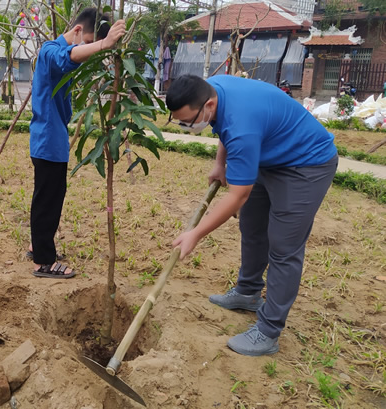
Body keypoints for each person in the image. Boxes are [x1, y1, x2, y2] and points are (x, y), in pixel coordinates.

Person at [166, 74, 338, 356]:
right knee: (252, 226)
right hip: (268, 156)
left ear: (208, 105)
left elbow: (237, 196)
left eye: (188, 121)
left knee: (283, 247)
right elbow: (223, 126)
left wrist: (195, 234)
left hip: (306, 164)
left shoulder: (242, 126)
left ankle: (268, 332)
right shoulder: (212, 89)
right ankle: (247, 292)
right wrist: (220, 163)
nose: (186, 127)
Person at [27, 8, 126, 279]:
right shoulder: (50, 51)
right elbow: (67, 57)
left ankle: (38, 247)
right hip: (48, 141)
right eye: (89, 42)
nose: (89, 50)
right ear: (78, 31)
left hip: (52, 139)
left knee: (50, 198)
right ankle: (43, 262)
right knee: (47, 201)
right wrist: (104, 44)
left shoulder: (60, 56)